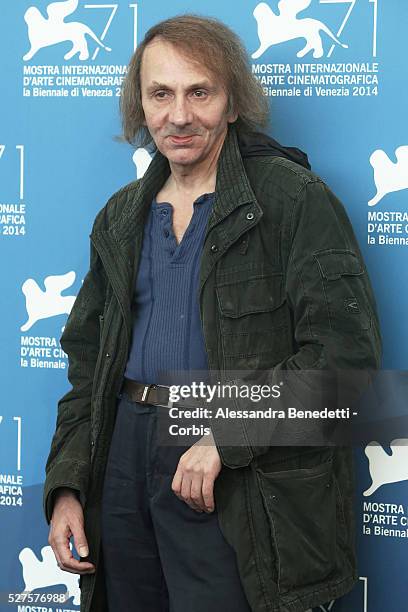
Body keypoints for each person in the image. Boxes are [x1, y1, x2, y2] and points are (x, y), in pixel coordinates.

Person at [43, 14, 382, 612]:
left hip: (234, 463)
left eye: (199, 92)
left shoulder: (296, 200)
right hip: (123, 454)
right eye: (160, 94)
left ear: (232, 103)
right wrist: (69, 486)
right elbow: (87, 367)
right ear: (140, 107)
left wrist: (230, 430)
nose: (178, 115)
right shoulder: (120, 215)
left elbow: (346, 365)